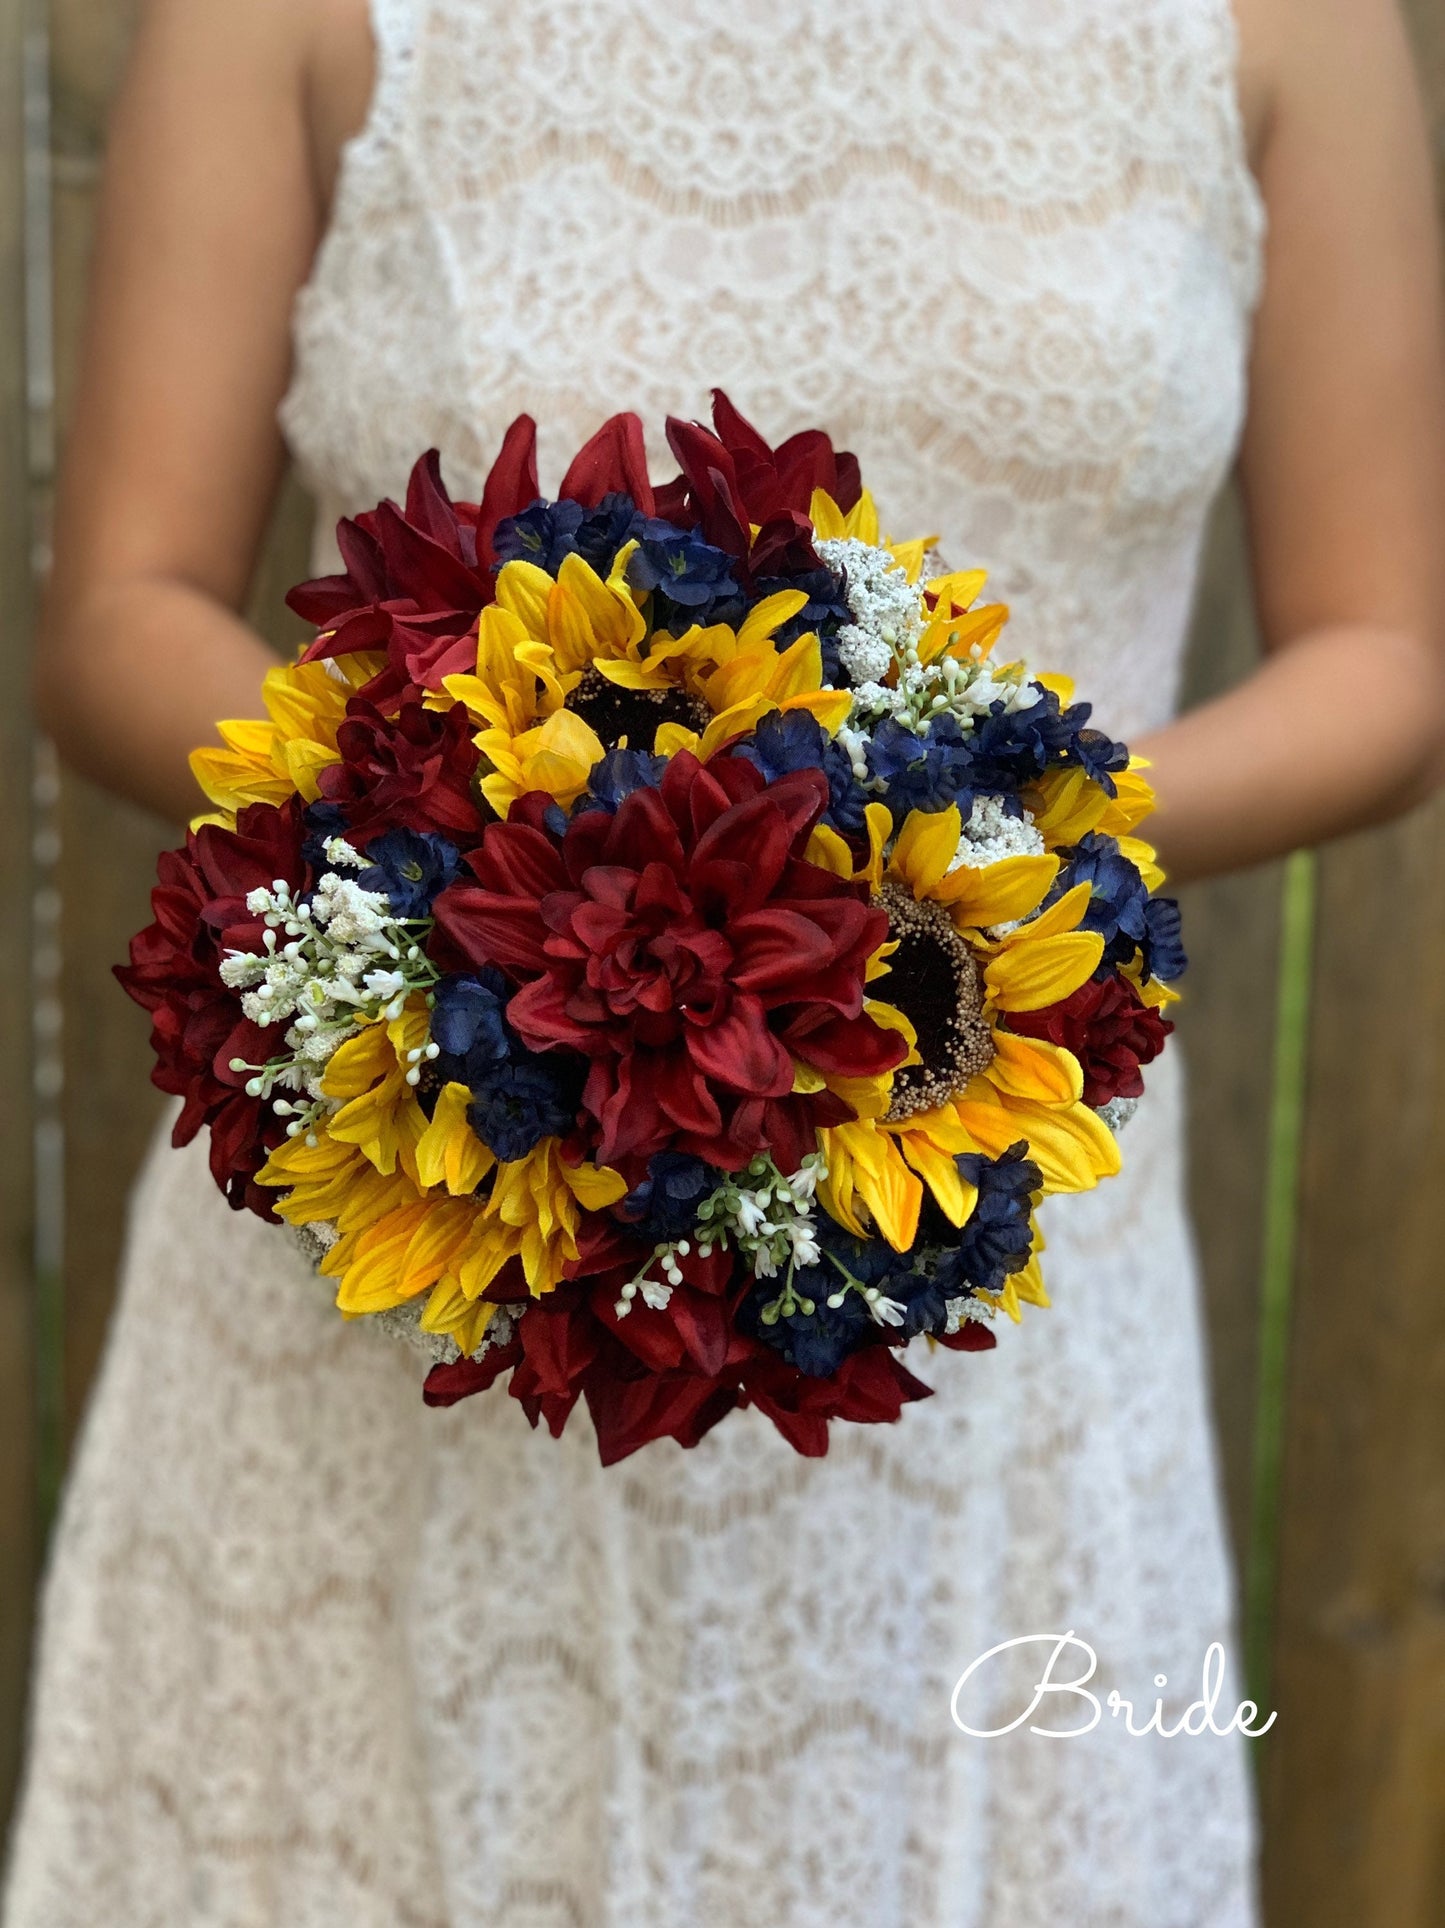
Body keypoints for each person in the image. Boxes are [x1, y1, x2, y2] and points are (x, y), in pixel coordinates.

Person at [7, 1, 1443, 1923]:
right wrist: (483, 846)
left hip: (981, 1251)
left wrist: (939, 867)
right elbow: (116, 616)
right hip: (435, 1190)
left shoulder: (1285, 23)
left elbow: (1385, 661)